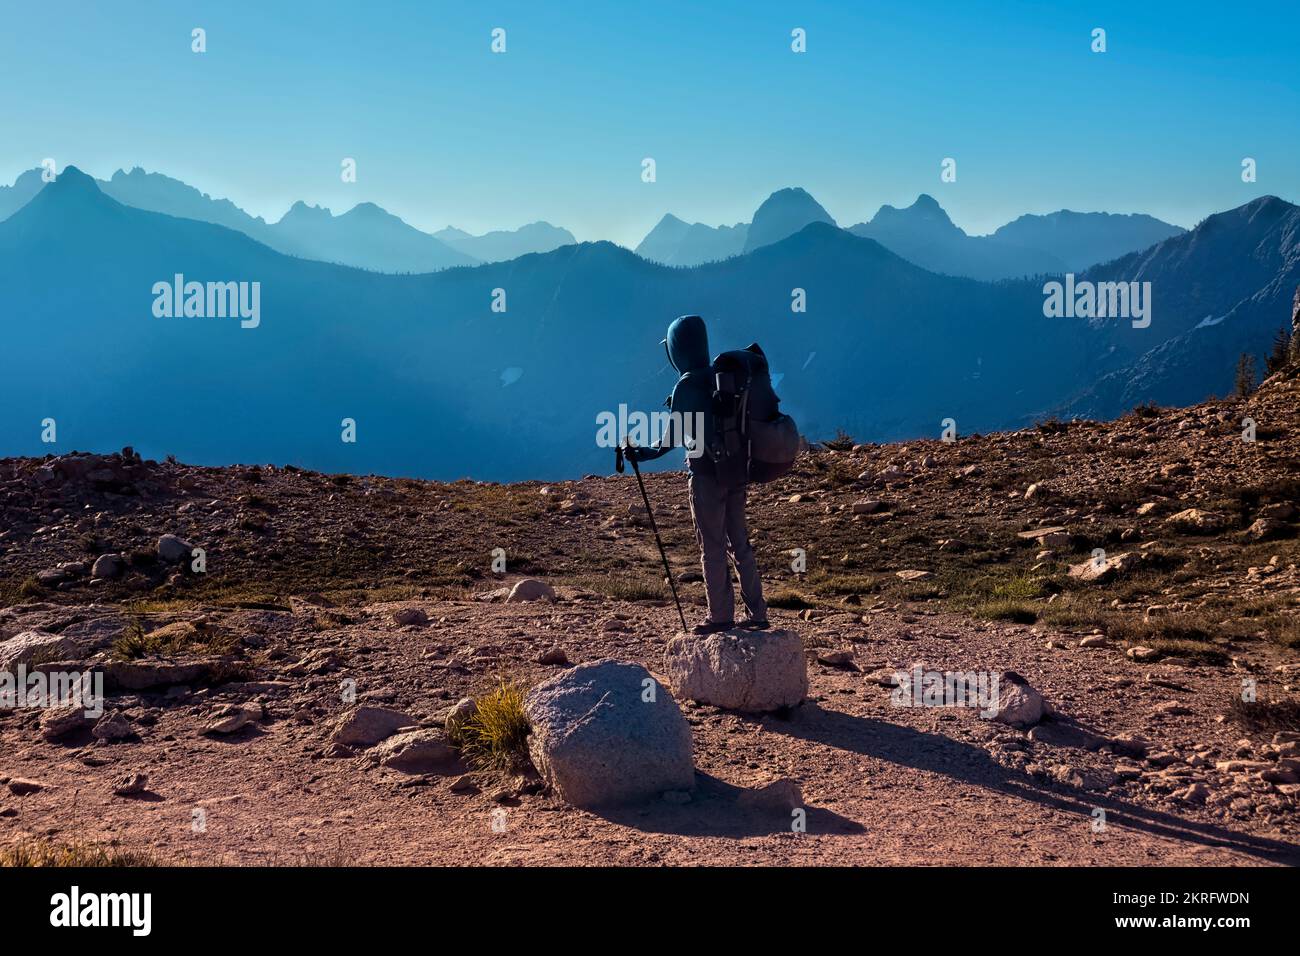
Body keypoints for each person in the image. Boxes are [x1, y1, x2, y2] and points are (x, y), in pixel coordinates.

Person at [625, 315, 769, 635]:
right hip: (735, 472)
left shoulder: (687, 384)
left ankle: (720, 617)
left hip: (705, 476)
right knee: (739, 544)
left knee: (713, 546)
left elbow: (669, 439)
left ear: (677, 348)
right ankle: (757, 613)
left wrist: (642, 453)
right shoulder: (719, 376)